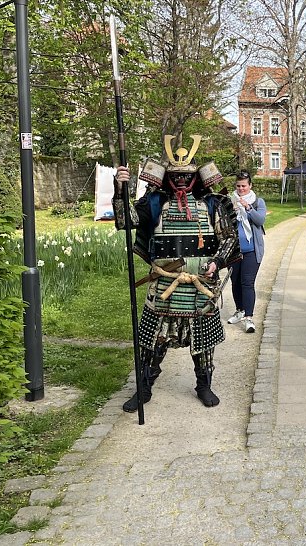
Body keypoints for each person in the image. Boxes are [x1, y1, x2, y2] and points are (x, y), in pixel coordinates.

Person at [113, 135, 239, 411]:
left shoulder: (212, 204)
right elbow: (126, 222)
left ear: (196, 176)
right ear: (167, 176)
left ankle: (204, 385)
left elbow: (229, 237)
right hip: (163, 285)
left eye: (186, 175)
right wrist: (119, 189)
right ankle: (143, 388)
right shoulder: (154, 203)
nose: (181, 180)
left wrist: (217, 261)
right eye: (175, 175)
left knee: (203, 340)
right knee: (152, 341)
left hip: (201, 284)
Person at [227, 170, 266, 334]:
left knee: (247, 283)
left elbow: (260, 220)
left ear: (250, 185)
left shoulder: (258, 202)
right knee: (235, 282)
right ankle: (240, 310)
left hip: (251, 250)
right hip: (233, 250)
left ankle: (249, 318)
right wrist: (232, 211)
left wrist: (247, 208)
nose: (241, 189)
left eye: (244, 186)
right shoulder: (229, 201)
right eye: (238, 186)